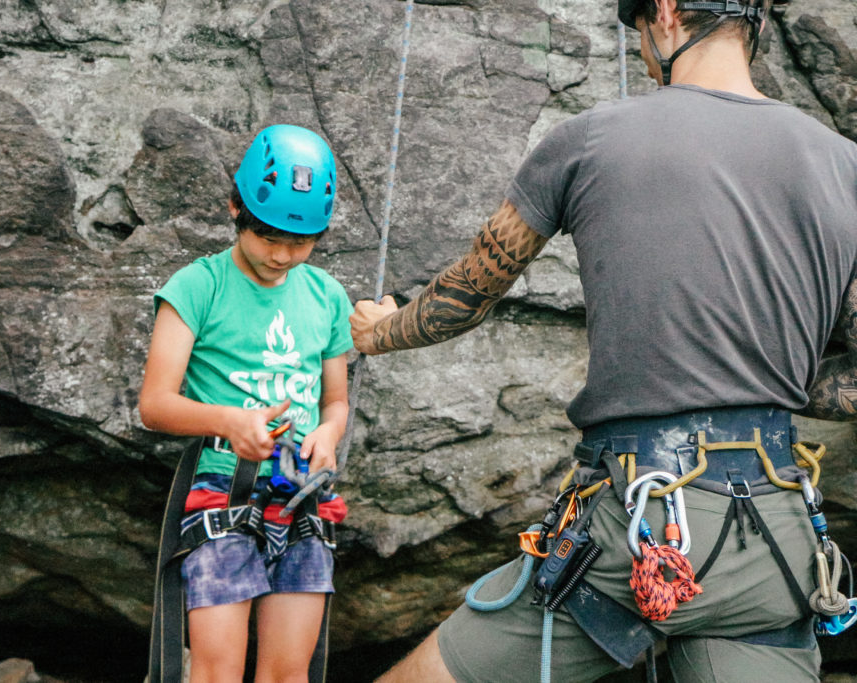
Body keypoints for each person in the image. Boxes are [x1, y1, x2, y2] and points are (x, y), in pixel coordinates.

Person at [350, 0, 857, 681]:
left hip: (631, 533)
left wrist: (377, 332)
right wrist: (777, 379)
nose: (643, 53)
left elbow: (464, 298)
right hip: (769, 535)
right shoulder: (843, 164)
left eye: (639, 30)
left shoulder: (588, 139)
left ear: (668, 12)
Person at [139, 124, 353, 683]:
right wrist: (229, 421)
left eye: (301, 241)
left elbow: (336, 403)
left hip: (302, 491)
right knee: (216, 672)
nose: (283, 255)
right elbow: (155, 404)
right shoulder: (196, 287)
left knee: (288, 674)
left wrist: (328, 435)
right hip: (222, 492)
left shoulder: (327, 296)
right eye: (267, 235)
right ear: (235, 207)